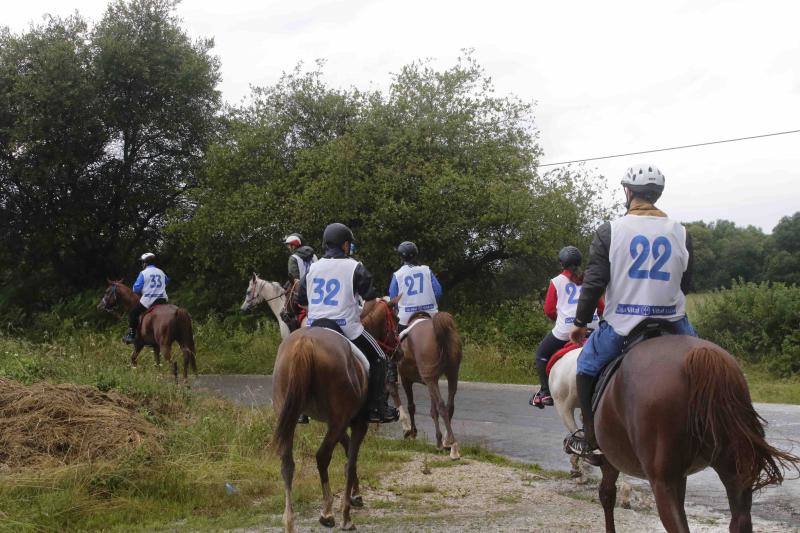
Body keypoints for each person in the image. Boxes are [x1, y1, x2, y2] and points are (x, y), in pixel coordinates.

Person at [564, 163, 696, 458]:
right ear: (657, 195)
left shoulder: (611, 230)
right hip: (673, 321)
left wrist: (580, 322)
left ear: (628, 192)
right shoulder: (681, 232)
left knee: (585, 369)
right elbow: (685, 283)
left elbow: (595, 283)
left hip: (623, 323)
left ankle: (591, 436)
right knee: (708, 362)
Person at [296, 223, 399, 423]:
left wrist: (317, 313)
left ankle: (301, 409)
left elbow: (301, 302)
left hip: (315, 325)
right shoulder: (354, 266)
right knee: (380, 358)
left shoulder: (312, 269)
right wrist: (360, 315)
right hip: (346, 327)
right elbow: (370, 298)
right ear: (345, 245)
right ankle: (376, 407)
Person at [530, 246, 603, 409]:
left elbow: (549, 310)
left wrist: (561, 318)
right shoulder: (589, 280)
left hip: (566, 329)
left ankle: (545, 392)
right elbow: (601, 307)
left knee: (541, 354)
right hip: (592, 326)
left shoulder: (556, 282)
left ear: (561, 264)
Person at [388, 241, 443, 333]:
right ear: (416, 254)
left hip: (406, 316)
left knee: (397, 340)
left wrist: (399, 308)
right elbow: (438, 291)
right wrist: (431, 304)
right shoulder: (426, 270)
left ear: (401, 257)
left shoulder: (397, 275)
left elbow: (393, 298)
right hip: (431, 313)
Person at [123, 252, 169, 344]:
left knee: (133, 313)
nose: (142, 264)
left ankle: (131, 335)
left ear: (145, 263)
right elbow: (167, 282)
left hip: (149, 300)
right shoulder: (161, 272)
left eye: (142, 262)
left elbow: (136, 289)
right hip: (162, 299)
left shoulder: (143, 273)